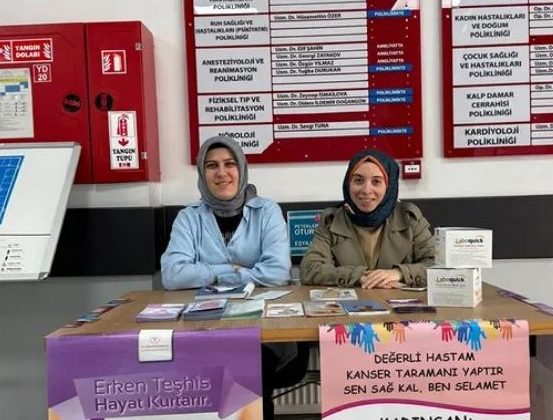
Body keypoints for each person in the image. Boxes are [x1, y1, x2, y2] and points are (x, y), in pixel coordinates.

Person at [160, 135, 307, 420]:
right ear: (202, 173)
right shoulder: (189, 218)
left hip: (266, 333)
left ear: (242, 169)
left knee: (249, 366)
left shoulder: (267, 211)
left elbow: (277, 272)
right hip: (205, 330)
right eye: (211, 165)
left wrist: (205, 273)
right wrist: (232, 271)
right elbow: (173, 275)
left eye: (230, 164)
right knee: (215, 367)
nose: (221, 173)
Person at [300, 149, 434, 288]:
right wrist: (358, 277)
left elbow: (437, 265)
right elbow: (309, 269)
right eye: (358, 180)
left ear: (389, 186)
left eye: (376, 182)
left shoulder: (409, 218)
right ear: (348, 183)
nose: (366, 190)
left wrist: (399, 273)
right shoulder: (332, 220)